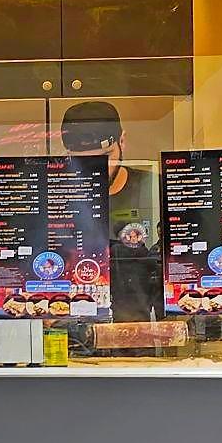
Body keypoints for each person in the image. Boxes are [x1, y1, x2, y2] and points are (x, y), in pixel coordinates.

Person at [60, 100, 162, 323]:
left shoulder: (154, 190)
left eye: (105, 157)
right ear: (68, 155)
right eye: (83, 161)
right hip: (72, 335)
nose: (97, 169)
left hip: (140, 336)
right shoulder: (58, 198)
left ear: (122, 141)